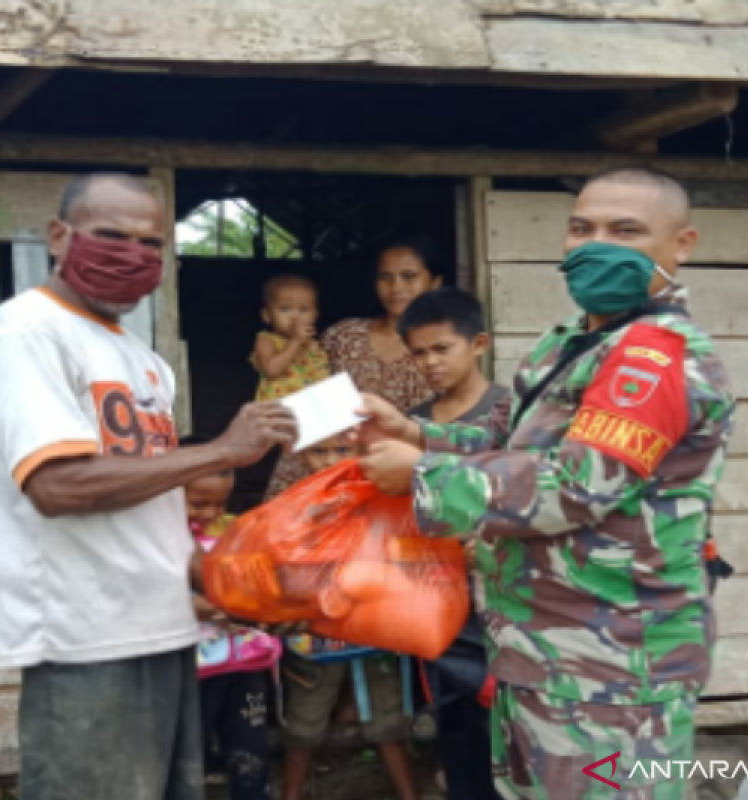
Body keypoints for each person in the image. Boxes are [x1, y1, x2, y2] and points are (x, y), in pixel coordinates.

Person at [357, 167, 736, 800]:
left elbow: (574, 486)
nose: (597, 245)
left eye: (626, 230)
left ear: (682, 244)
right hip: (548, 648)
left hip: (613, 663)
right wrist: (419, 433)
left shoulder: (653, 358)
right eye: (581, 228)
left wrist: (421, 477)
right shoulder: (571, 343)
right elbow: (517, 444)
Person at [0, 172, 298, 800]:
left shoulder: (142, 360)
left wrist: (228, 579)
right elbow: (57, 485)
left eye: (151, 245)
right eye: (111, 236)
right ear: (59, 236)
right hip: (84, 634)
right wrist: (220, 452)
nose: (132, 256)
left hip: (165, 628)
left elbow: (155, 506)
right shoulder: (26, 333)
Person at [397, 288, 507, 800]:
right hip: (438, 607)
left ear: (478, 343)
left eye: (442, 349)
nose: (430, 362)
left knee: (513, 735)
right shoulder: (413, 422)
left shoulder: (511, 416)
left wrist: (483, 533)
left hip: (505, 605)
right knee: (458, 734)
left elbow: (535, 495)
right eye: (419, 353)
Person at [279, 434, 419, 800]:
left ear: (363, 451)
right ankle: (291, 792)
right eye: (318, 451)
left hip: (375, 628)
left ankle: (409, 794)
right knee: (304, 724)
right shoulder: (296, 503)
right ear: (301, 454)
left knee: (387, 719)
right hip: (317, 632)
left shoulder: (383, 496)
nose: (330, 461)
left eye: (342, 450)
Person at [265, 236, 442, 498]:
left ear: (435, 282)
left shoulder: (440, 351)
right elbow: (306, 388)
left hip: (396, 473)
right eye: (385, 277)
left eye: (409, 276)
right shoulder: (344, 335)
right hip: (323, 469)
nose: (396, 287)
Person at [185, 470, 274, 800]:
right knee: (191, 750)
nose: (211, 513)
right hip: (193, 668)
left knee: (251, 747)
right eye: (198, 503)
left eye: (220, 503)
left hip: (245, 663)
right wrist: (190, 605)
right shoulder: (164, 539)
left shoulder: (239, 531)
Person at [251, 274, 330, 401]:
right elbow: (272, 370)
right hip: (279, 407)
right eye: (285, 309)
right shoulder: (266, 341)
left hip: (310, 407)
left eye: (303, 310)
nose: (295, 316)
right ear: (267, 315)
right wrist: (295, 342)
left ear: (315, 316)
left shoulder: (313, 344)